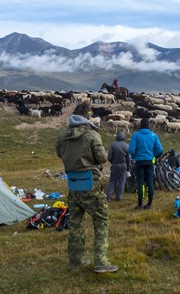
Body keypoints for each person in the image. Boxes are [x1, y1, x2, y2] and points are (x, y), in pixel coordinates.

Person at [55, 115, 118, 274]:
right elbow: (102, 158)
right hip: (90, 182)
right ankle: (101, 262)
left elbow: (59, 153)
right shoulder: (92, 135)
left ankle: (76, 260)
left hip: (73, 183)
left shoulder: (63, 135)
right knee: (101, 218)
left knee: (76, 222)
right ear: (87, 119)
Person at [128, 118, 163, 210]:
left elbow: (131, 149)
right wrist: (153, 155)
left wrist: (135, 156)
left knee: (140, 183)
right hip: (149, 161)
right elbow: (160, 150)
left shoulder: (136, 135)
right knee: (150, 182)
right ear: (149, 126)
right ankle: (149, 204)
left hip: (139, 161)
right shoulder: (154, 135)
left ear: (140, 126)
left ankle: (140, 205)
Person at [106, 131, 131, 202]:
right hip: (124, 165)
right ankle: (119, 196)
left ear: (116, 137)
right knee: (122, 181)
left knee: (112, 180)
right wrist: (128, 168)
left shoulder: (112, 145)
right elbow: (128, 159)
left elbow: (110, 157)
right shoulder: (127, 146)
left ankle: (108, 196)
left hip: (115, 164)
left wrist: (112, 162)